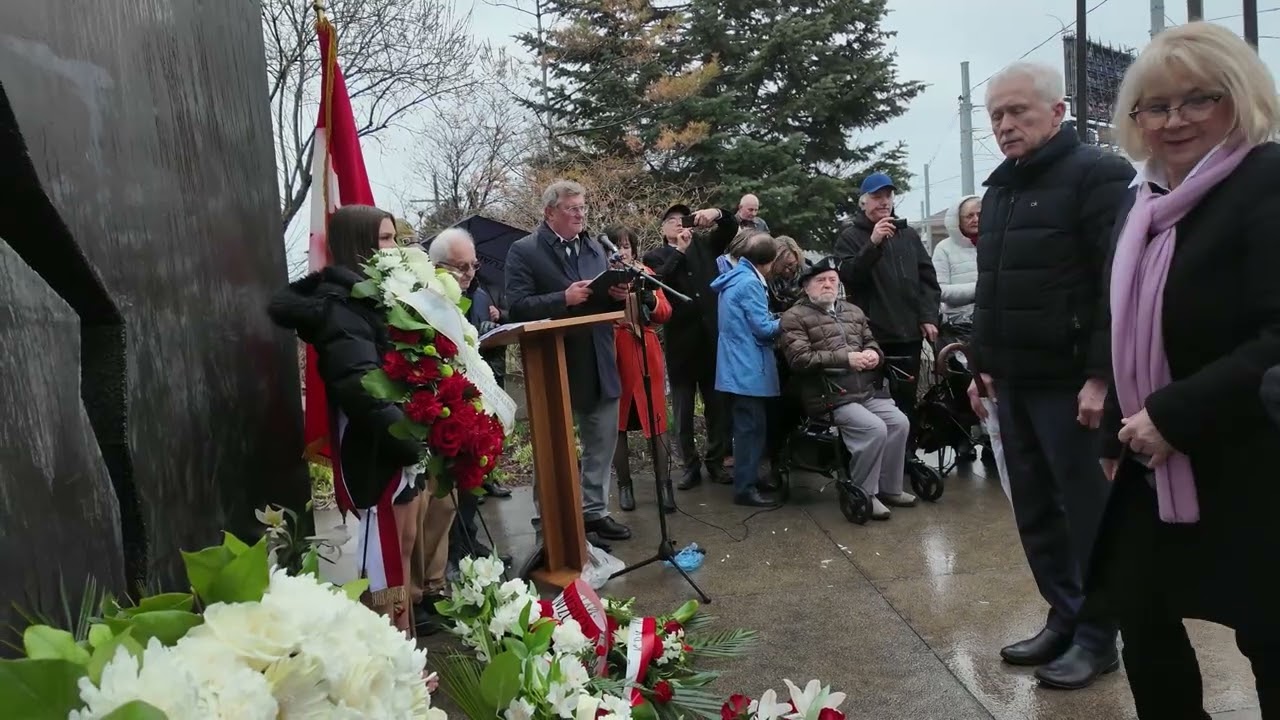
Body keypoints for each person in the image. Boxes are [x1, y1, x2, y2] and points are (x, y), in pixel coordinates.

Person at [1089, 23, 1280, 717]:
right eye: (1155, 106)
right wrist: (1115, 435)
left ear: (1239, 98)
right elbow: (1125, 328)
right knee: (1140, 614)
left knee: (1271, 634)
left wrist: (1172, 417)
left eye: (1197, 100)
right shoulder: (1139, 205)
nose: (1174, 121)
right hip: (1152, 461)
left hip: (1253, 455)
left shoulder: (1267, 180)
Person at [965, 60, 1135, 689]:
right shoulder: (1001, 187)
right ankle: (1065, 616)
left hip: (1072, 387)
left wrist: (1101, 376)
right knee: (1036, 512)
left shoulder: (1099, 174)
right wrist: (979, 364)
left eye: (1018, 112)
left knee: (1087, 514)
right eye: (996, 116)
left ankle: (1099, 636)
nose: (1005, 126)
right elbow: (995, 287)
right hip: (1014, 381)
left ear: (1057, 112)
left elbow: (1114, 286)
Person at [268, 204, 422, 634]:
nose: (394, 248)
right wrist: (407, 439)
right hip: (375, 447)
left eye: (395, 238)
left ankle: (405, 649)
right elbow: (359, 384)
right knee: (381, 566)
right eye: (386, 240)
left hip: (395, 441)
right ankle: (389, 656)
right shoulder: (342, 307)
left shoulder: (380, 295)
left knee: (402, 552)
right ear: (360, 245)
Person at [504, 180, 632, 542]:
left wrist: (617, 295)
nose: (580, 214)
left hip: (598, 355)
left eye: (583, 208)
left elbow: (603, 303)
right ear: (549, 212)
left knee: (601, 442)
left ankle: (594, 512)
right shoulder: (525, 250)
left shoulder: (595, 247)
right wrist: (562, 298)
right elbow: (515, 305)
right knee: (553, 443)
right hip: (553, 360)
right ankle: (550, 517)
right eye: (572, 208)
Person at [781, 257, 911, 520]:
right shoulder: (793, 317)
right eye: (820, 281)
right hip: (828, 394)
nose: (827, 285)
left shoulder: (853, 311)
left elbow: (871, 341)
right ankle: (865, 494)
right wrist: (846, 358)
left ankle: (890, 488)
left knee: (899, 422)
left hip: (865, 390)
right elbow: (799, 360)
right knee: (874, 429)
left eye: (832, 280)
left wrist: (875, 354)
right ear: (806, 287)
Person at [835, 173, 941, 457]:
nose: (884, 203)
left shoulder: (907, 234)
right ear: (863, 202)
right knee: (869, 402)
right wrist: (873, 244)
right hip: (871, 336)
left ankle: (904, 459)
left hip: (907, 333)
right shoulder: (850, 237)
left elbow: (927, 279)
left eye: (888, 196)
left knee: (906, 402)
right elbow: (850, 277)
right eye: (877, 197)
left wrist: (928, 316)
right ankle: (869, 458)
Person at [645, 203, 740, 490]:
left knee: (717, 408)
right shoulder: (656, 255)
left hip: (711, 342)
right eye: (671, 220)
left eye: (682, 219)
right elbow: (657, 281)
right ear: (662, 229)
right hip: (681, 346)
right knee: (683, 413)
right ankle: (690, 465)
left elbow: (731, 227)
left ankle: (716, 460)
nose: (677, 224)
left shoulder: (706, 245)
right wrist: (679, 251)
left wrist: (717, 214)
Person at [605, 226, 675, 513]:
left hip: (646, 352)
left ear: (633, 248)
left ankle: (664, 486)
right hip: (615, 353)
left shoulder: (646, 272)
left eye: (626, 245)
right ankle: (624, 486)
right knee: (617, 424)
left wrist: (651, 301)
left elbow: (666, 312)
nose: (622, 250)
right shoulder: (603, 277)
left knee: (656, 421)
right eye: (616, 245)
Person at [710, 233, 782, 507]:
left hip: (736, 365)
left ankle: (749, 476)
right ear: (770, 261)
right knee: (750, 429)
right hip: (748, 366)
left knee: (750, 426)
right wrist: (789, 319)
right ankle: (745, 488)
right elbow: (763, 329)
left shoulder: (735, 278)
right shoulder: (751, 283)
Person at [931, 195, 980, 344]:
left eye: (980, 214)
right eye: (969, 216)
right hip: (958, 328)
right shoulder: (944, 248)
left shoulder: (995, 244)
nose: (976, 219)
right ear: (957, 219)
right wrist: (979, 289)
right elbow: (939, 290)